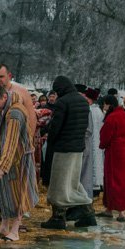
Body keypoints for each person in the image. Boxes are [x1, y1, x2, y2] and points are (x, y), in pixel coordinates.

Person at [41, 75, 96, 229]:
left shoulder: (62, 103)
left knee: (58, 184)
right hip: (78, 148)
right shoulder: (83, 102)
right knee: (73, 183)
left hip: (63, 149)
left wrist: (49, 139)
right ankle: (88, 213)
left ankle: (58, 218)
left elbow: (56, 127)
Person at [0, 85, 38, 241]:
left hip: (20, 158)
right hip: (7, 156)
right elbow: (2, 135)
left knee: (19, 194)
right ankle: (4, 225)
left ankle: (15, 230)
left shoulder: (15, 112)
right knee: (5, 191)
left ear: (4, 97)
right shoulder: (5, 109)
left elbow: (11, 140)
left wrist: (3, 165)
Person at [98, 94, 125, 221]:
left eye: (105, 104)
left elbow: (105, 137)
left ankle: (119, 211)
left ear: (109, 105)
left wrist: (102, 145)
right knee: (123, 181)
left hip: (114, 153)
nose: (104, 107)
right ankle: (113, 209)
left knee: (112, 181)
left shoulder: (112, 117)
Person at [80, 87, 104, 198]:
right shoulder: (97, 110)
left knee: (93, 163)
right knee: (96, 162)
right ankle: (96, 184)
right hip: (96, 140)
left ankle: (94, 186)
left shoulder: (92, 111)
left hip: (93, 140)